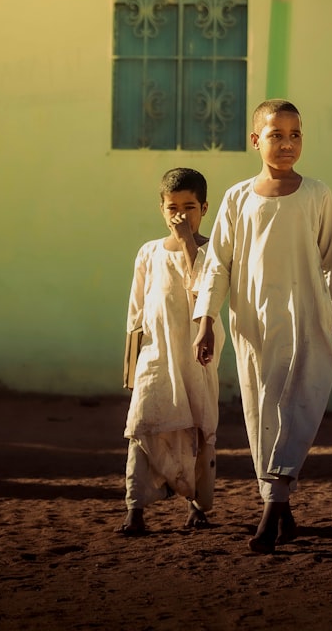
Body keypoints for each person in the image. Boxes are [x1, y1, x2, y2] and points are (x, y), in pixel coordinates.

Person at [193, 99, 332, 554]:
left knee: (298, 404)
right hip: (252, 321)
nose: (286, 143)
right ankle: (279, 504)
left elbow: (331, 259)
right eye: (276, 134)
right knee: (261, 409)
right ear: (255, 139)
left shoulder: (317, 193)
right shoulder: (238, 197)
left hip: (306, 317)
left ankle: (269, 511)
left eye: (295, 134)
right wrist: (206, 320)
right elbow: (218, 263)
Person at [117, 167, 224, 536]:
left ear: (205, 208)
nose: (180, 215)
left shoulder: (213, 251)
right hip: (155, 359)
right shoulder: (148, 252)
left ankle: (198, 506)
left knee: (198, 428)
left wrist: (187, 242)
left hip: (197, 359)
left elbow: (204, 290)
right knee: (143, 428)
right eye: (173, 207)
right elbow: (136, 313)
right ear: (161, 209)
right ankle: (135, 510)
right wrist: (132, 367)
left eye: (189, 207)